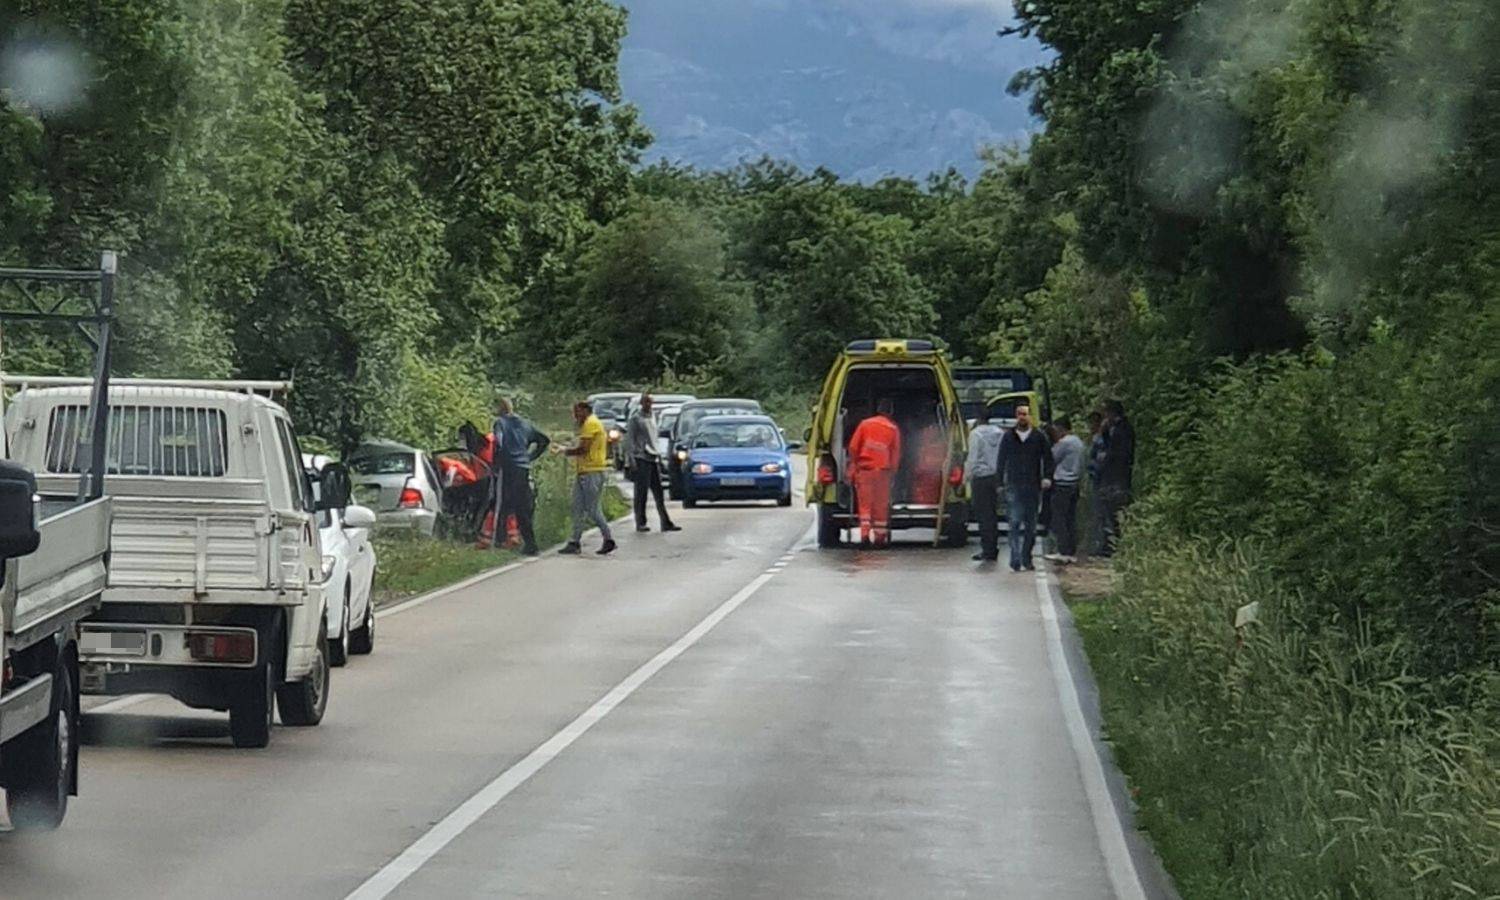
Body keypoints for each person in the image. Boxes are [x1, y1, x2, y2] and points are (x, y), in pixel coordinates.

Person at [996, 402, 1053, 571]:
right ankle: (1015, 557)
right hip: (1013, 485)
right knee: (1014, 522)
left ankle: (1026, 557)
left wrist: (1048, 477)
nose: (1022, 417)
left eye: (1025, 413)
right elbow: (1001, 460)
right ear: (1016, 416)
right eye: (1019, 414)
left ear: (1030, 416)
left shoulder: (1039, 437)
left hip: (1033, 486)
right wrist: (999, 482)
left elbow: (1048, 459)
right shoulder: (1008, 437)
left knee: (1031, 525)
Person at [557, 400, 616, 556]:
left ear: (585, 410)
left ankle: (608, 538)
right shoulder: (588, 424)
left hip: (592, 471)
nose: (575, 416)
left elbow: (583, 448)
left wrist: (565, 450)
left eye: (577, 412)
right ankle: (574, 541)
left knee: (592, 509)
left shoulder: (591, 424)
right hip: (583, 471)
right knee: (577, 507)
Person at [491, 398, 549, 556]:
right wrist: (530, 456)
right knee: (521, 506)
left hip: (508, 467)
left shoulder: (500, 423)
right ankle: (530, 543)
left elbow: (499, 442)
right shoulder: (525, 423)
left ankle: (498, 540)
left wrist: (495, 463)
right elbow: (544, 440)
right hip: (523, 467)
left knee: (501, 502)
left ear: (499, 408)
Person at [847, 398, 902, 547]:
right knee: (881, 505)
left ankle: (865, 536)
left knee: (865, 506)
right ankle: (880, 538)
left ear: (878, 409)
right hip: (883, 472)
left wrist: (854, 463)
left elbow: (853, 447)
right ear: (890, 412)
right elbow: (895, 453)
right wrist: (893, 472)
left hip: (865, 471)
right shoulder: (893, 428)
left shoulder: (865, 424)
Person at [625, 393, 681, 534]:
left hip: (653, 457)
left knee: (659, 492)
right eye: (646, 402)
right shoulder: (635, 419)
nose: (649, 405)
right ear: (642, 403)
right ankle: (641, 522)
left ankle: (665, 521)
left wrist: (660, 457)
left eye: (650, 402)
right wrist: (631, 459)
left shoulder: (653, 417)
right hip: (641, 457)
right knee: (641, 493)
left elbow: (654, 438)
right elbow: (630, 440)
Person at [1095, 399, 1135, 557]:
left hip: (1118, 476)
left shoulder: (1123, 429)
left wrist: (1106, 458)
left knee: (1115, 511)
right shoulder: (1113, 429)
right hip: (1113, 476)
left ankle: (1116, 545)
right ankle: (1109, 544)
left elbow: (1120, 453)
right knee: (1108, 511)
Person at [965, 408, 1005, 562]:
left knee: (983, 515)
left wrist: (967, 477)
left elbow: (973, 457)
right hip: (995, 477)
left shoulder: (976, 434)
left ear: (978, 418)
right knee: (993, 513)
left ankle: (987, 549)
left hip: (981, 477)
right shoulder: (999, 433)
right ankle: (992, 547)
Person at [1043, 416, 1084, 564]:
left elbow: (1051, 457)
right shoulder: (1078, 442)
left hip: (1062, 483)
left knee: (1059, 518)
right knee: (1070, 518)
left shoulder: (1065, 443)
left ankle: (1063, 550)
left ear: (1060, 429)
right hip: (1074, 483)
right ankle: (1071, 551)